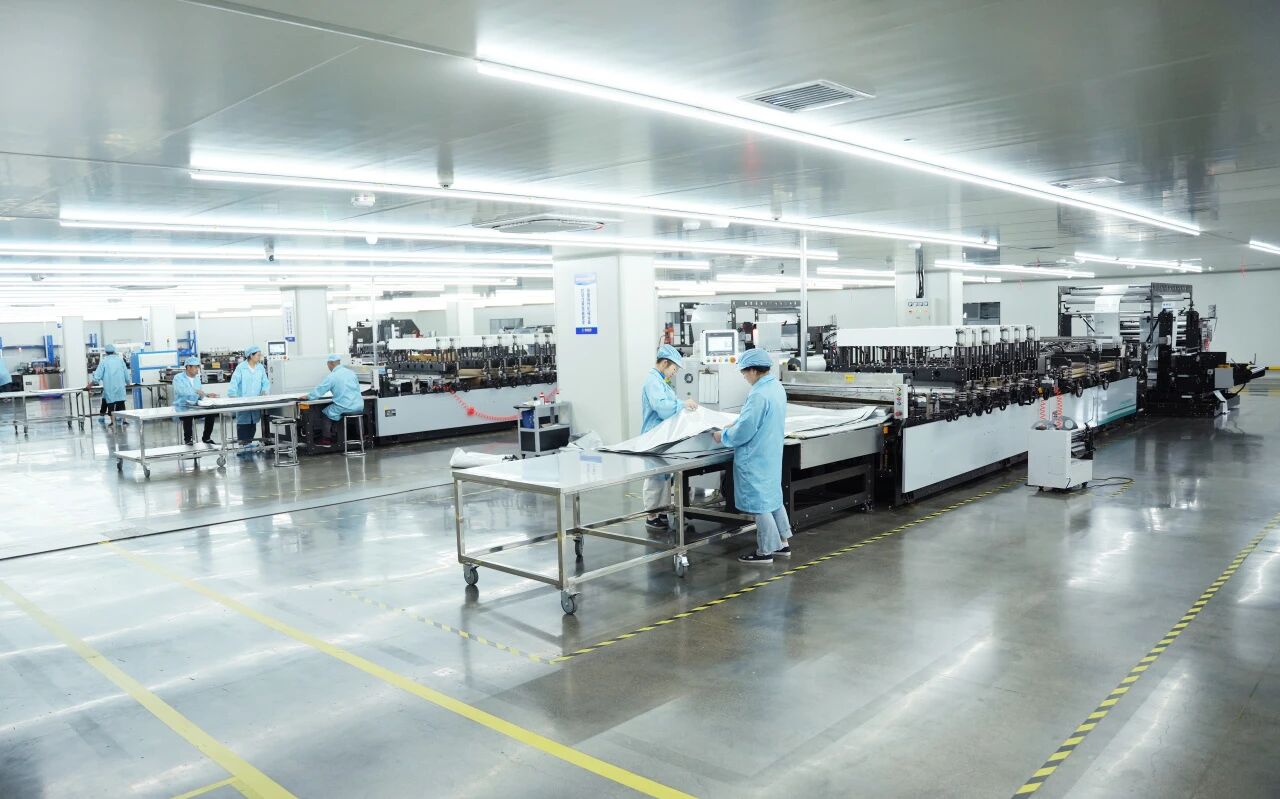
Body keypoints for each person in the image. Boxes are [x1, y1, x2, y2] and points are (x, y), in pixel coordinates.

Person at [712, 348, 791, 564]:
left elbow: (746, 430)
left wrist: (723, 435)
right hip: (770, 453)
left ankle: (765, 551)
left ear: (754, 371)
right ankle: (783, 542)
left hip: (754, 456)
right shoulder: (776, 387)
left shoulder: (758, 393)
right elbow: (754, 418)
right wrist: (737, 422)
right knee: (772, 498)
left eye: (744, 372)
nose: (744, 376)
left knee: (759, 504)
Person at [642, 344, 697, 530]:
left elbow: (670, 402)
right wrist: (682, 404)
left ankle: (662, 511)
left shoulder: (661, 381)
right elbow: (662, 407)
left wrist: (683, 405)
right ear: (665, 363)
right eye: (674, 368)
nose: (675, 373)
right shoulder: (653, 381)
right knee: (655, 476)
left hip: (663, 435)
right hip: (654, 435)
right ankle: (651, 515)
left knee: (665, 475)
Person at [306, 354, 365, 445]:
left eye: (328, 365)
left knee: (326, 413)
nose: (328, 367)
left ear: (331, 363)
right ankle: (361, 436)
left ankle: (326, 439)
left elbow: (321, 389)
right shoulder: (351, 373)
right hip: (358, 405)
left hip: (345, 406)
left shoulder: (332, 376)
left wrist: (309, 396)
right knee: (335, 411)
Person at [226, 345, 271, 451]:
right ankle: (242, 445)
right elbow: (234, 382)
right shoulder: (241, 367)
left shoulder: (260, 367)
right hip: (243, 400)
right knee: (243, 422)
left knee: (252, 422)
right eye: (258, 355)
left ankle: (249, 444)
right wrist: (233, 394)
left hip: (256, 400)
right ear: (251, 355)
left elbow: (265, 382)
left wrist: (265, 391)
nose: (259, 357)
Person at [172, 356, 218, 445]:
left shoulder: (197, 379)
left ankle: (206, 438)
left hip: (195, 406)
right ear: (188, 367)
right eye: (196, 367)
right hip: (182, 406)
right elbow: (181, 391)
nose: (197, 369)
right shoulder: (178, 378)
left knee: (211, 413)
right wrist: (196, 392)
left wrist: (206, 395)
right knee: (188, 415)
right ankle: (188, 440)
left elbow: (198, 394)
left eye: (198, 367)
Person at [87, 344, 130, 427]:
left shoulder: (104, 361)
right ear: (114, 351)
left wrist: (91, 384)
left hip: (109, 387)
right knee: (121, 403)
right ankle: (124, 421)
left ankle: (113, 422)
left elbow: (97, 375)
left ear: (106, 352)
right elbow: (126, 372)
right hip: (120, 386)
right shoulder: (120, 360)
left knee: (111, 405)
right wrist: (128, 382)